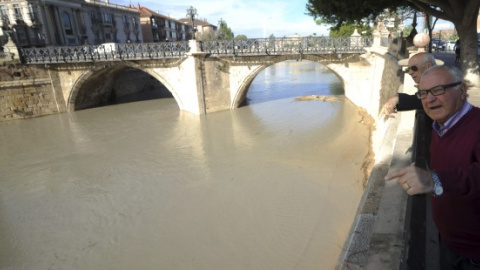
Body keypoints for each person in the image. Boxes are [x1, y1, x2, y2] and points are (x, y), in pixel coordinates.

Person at [385, 65, 480, 269]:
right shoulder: (441, 125)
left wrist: (434, 179)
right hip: (450, 243)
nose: (429, 99)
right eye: (424, 93)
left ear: (462, 90)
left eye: (439, 90)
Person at [380, 52, 437, 117]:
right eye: (408, 69)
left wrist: (397, 98)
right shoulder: (429, 83)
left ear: (428, 65)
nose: (410, 72)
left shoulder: (441, 82)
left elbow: (420, 101)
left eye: (414, 68)